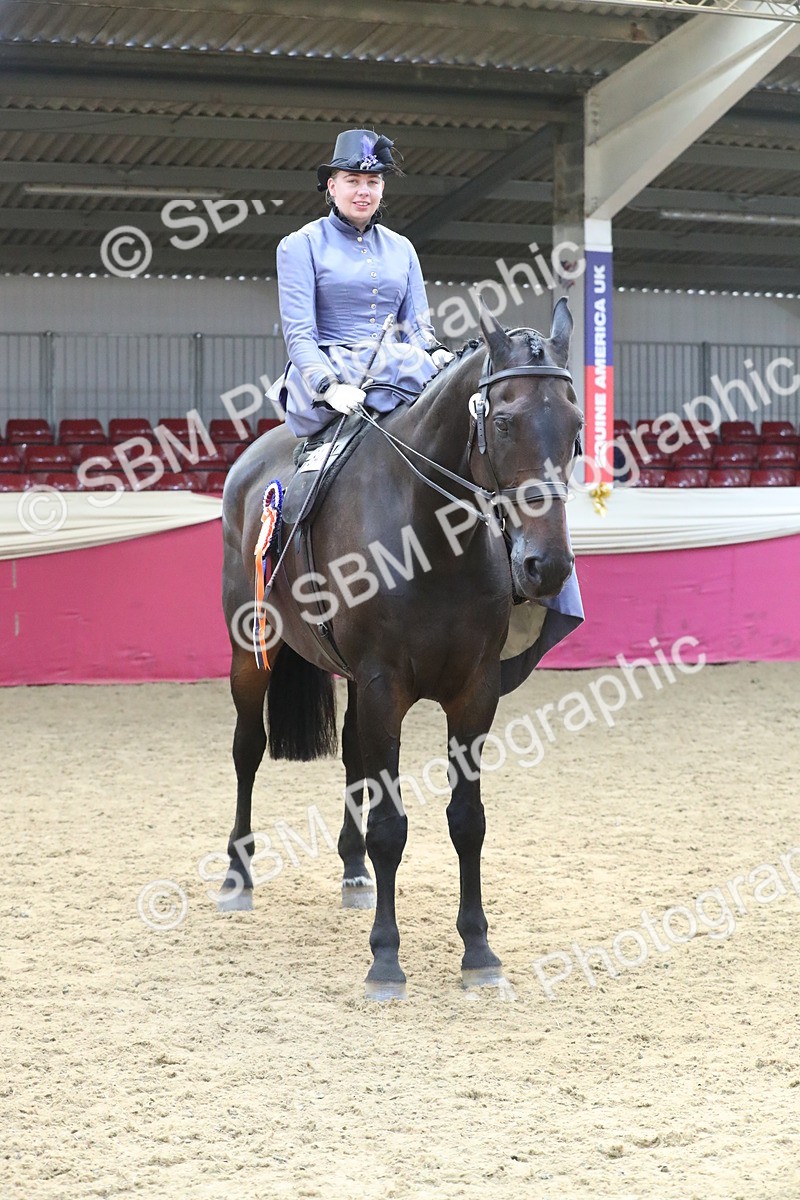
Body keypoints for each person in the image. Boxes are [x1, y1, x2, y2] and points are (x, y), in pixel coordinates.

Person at [275, 128, 453, 440]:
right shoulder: (301, 244)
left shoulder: (402, 248)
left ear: (382, 188)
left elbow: (416, 328)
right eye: (353, 181)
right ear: (332, 186)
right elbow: (299, 334)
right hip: (332, 370)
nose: (364, 191)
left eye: (372, 182)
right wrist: (327, 386)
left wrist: (439, 357)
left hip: (397, 368)